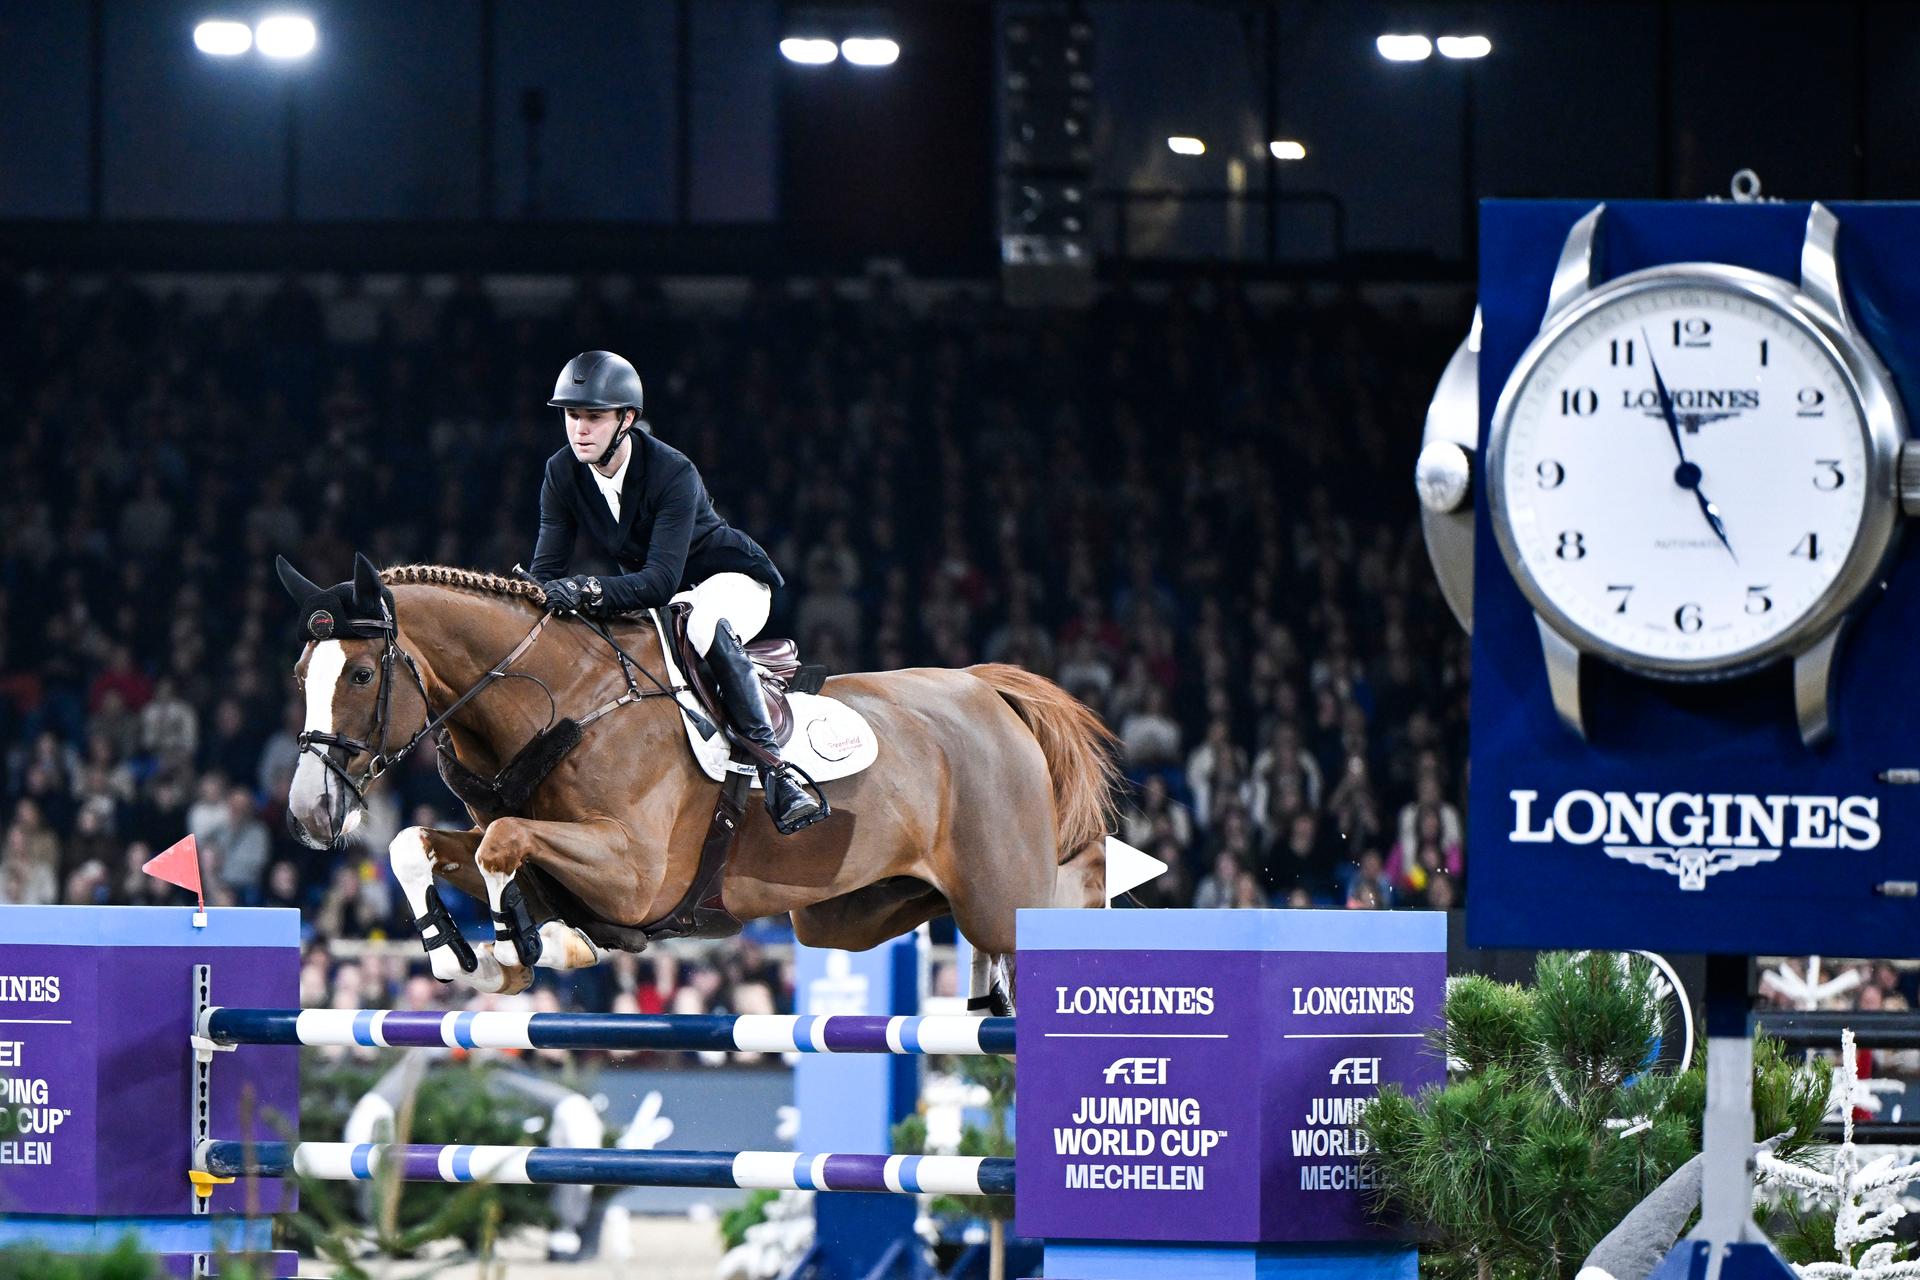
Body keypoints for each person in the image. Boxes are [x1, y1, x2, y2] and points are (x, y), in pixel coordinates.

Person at [528, 351, 825, 835]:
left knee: (702, 625)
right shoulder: (561, 472)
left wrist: (584, 587)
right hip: (666, 602)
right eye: (572, 415)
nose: (579, 429)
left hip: (730, 581)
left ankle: (777, 773)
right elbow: (544, 573)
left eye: (594, 417)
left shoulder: (671, 471)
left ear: (626, 419)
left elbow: (660, 581)